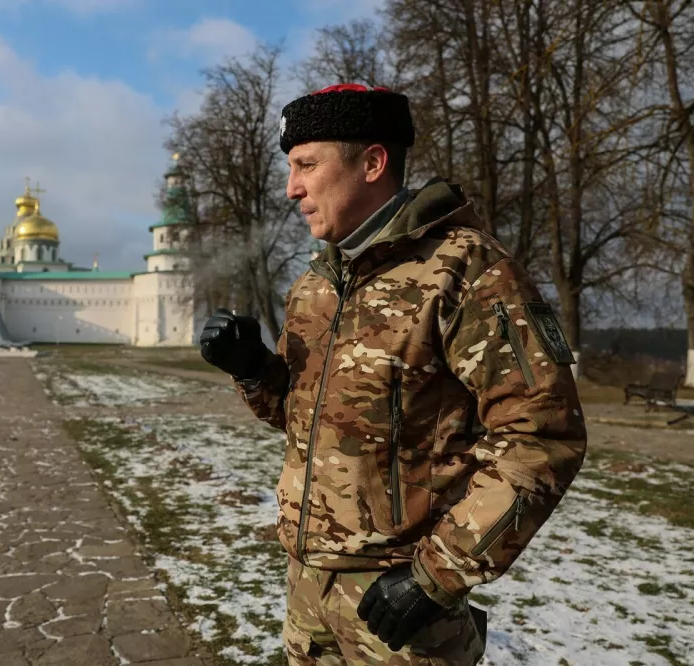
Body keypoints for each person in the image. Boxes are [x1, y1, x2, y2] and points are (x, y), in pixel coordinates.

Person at [199, 83, 587, 665]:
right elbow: (307, 420)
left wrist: (437, 575)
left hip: (404, 614)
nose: (291, 188)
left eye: (307, 165)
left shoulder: (466, 271)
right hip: (309, 593)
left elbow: (541, 438)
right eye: (290, 167)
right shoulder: (315, 286)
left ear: (373, 163)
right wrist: (255, 372)